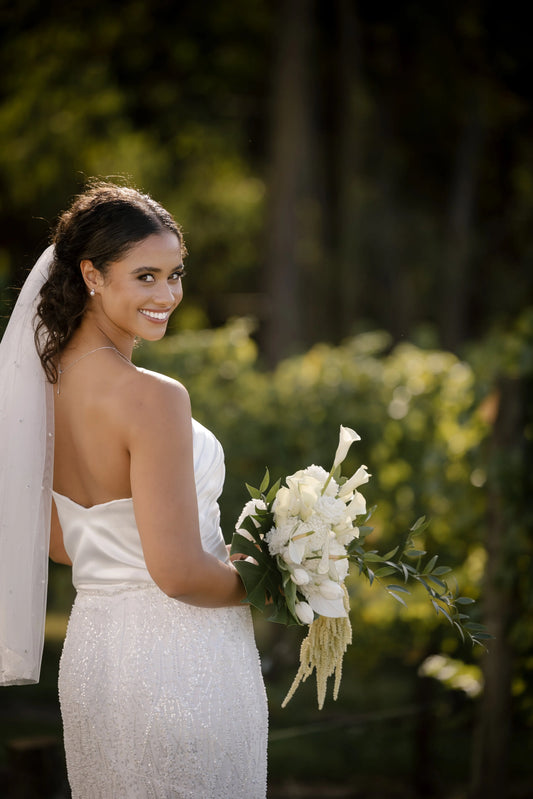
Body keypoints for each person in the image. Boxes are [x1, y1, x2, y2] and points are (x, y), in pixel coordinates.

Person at [0, 182, 268, 798]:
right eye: (145, 276)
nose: (167, 295)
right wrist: (272, 576)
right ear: (92, 274)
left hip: (95, 655)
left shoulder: (36, 389)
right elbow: (178, 574)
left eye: (175, 274)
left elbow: (62, 542)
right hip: (181, 660)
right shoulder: (154, 398)